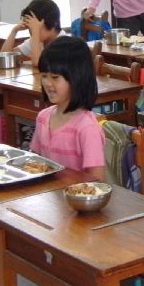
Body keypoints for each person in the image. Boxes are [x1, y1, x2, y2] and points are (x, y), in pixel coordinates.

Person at [29, 36, 105, 180]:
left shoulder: (87, 128)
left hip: (75, 194)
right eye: (44, 76)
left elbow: (97, 181)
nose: (47, 83)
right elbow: (36, 163)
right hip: (47, 192)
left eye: (55, 77)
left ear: (77, 78)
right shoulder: (43, 117)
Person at [1, 0, 64, 67]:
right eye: (31, 27)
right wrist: (14, 31)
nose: (32, 30)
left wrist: (36, 33)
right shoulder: (37, 40)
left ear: (53, 23)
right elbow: (5, 57)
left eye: (36, 26)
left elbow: (39, 63)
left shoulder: (64, 43)